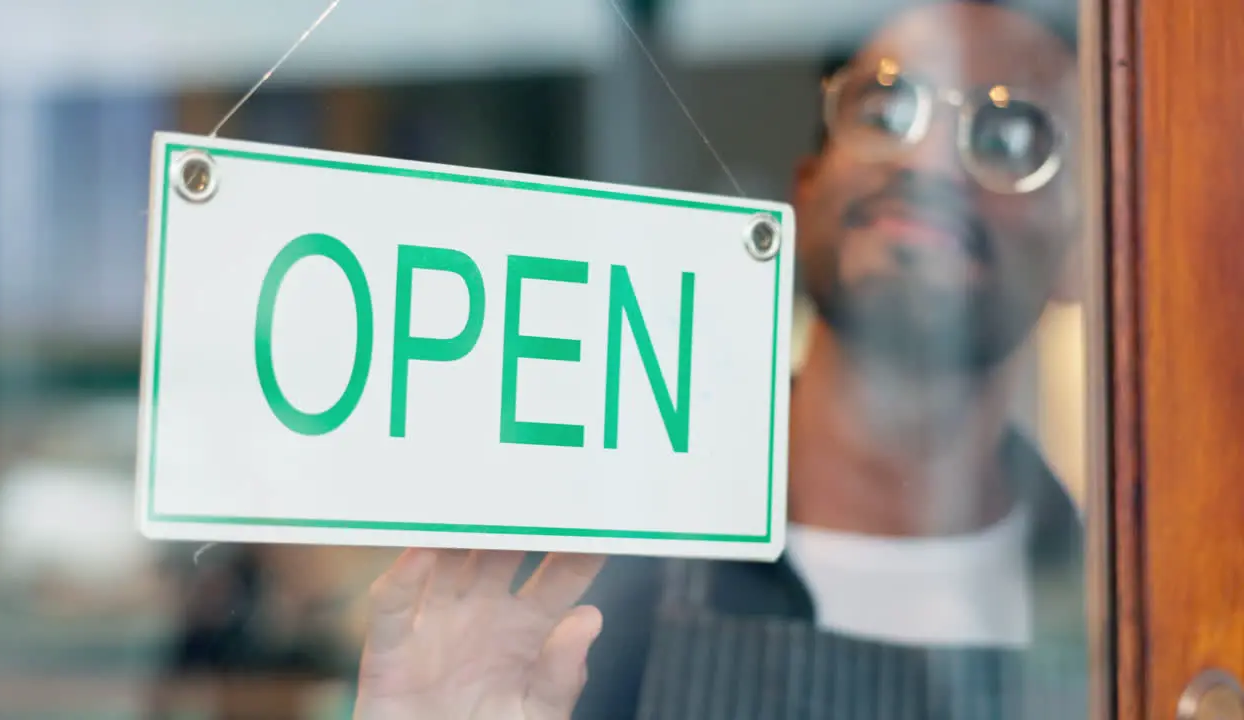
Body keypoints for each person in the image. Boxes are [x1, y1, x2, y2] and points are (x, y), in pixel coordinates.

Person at [351, 0, 1087, 717]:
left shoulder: (1122, 610)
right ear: (806, 189)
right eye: (887, 109)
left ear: (1083, 258)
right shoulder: (582, 582)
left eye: (1011, 137)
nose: (927, 160)